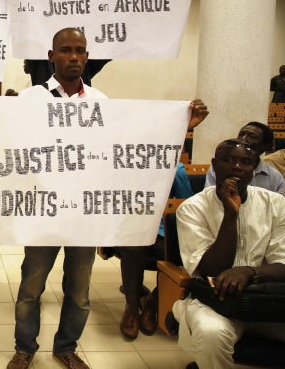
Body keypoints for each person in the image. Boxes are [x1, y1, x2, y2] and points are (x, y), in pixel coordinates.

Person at [7, 28, 106, 369]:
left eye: (80, 50)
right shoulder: (31, 100)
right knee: (31, 288)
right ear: (51, 56)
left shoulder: (100, 103)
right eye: (66, 50)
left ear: (87, 57)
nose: (74, 56)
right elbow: (8, 141)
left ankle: (65, 347)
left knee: (79, 292)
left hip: (83, 215)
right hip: (42, 212)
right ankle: (25, 348)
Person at [172, 139, 285, 369]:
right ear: (214, 165)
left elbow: (283, 263)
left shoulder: (276, 204)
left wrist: (248, 271)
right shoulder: (192, 208)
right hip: (215, 302)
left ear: (254, 168)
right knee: (211, 332)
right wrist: (230, 214)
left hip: (267, 299)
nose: (237, 167)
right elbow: (210, 269)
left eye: (246, 162)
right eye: (229, 160)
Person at [116, 101, 209, 339]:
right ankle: (132, 306)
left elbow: (186, 204)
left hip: (162, 232)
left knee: (176, 255)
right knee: (132, 247)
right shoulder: (121, 167)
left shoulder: (175, 169)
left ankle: (154, 303)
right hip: (132, 229)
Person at [204, 122, 285, 196]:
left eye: (252, 136)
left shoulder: (275, 177)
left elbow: (279, 207)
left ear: (265, 146)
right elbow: (210, 198)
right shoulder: (220, 167)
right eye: (241, 134)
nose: (243, 139)